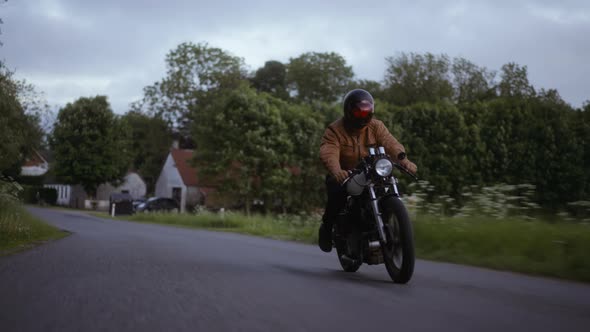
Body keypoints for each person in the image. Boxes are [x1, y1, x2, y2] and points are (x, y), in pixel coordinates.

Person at [318, 89, 417, 252]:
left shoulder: (376, 126)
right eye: (358, 111)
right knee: (337, 195)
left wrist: (403, 159)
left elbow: (390, 142)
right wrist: (336, 170)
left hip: (372, 170)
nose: (362, 115)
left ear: (371, 111)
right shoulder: (335, 130)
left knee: (387, 185)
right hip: (345, 174)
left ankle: (386, 224)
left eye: (366, 111)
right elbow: (329, 151)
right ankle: (327, 228)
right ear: (348, 111)